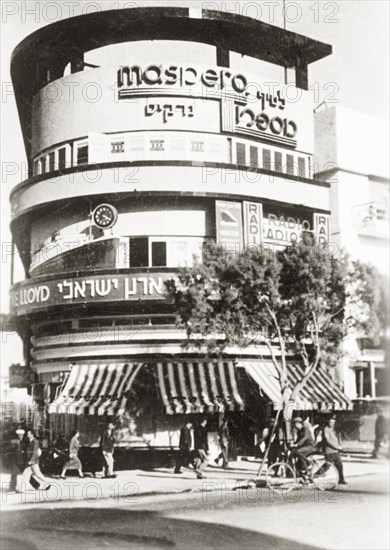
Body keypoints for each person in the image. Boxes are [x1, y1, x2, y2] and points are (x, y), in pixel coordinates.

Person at [323, 416, 347, 485]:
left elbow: (337, 439)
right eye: (330, 422)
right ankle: (313, 475)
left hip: (335, 451)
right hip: (329, 451)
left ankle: (341, 480)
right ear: (328, 422)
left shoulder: (334, 430)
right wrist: (337, 447)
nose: (332, 424)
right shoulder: (326, 429)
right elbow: (328, 440)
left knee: (339, 465)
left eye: (333, 422)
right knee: (326, 466)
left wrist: (339, 446)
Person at [9, 428, 27, 492]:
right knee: (14, 474)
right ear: (17, 435)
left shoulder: (24, 443)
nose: (21, 436)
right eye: (19, 435)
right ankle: (11, 488)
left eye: (22, 435)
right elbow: (12, 450)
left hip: (22, 461)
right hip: (16, 461)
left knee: (26, 474)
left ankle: (37, 485)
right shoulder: (14, 442)